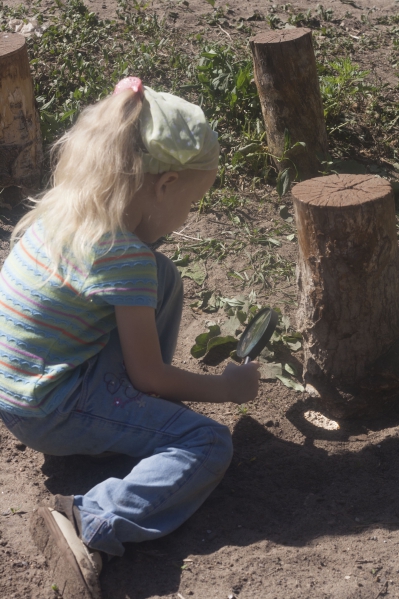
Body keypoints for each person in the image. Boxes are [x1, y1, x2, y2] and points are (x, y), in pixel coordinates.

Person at [0, 77, 260, 599]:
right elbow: (151, 374)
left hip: (21, 386)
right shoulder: (123, 256)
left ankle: (134, 418)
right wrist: (227, 390)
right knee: (207, 442)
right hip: (50, 408)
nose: (187, 217)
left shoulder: (61, 214)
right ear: (164, 186)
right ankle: (89, 522)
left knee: (163, 276)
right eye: (191, 202)